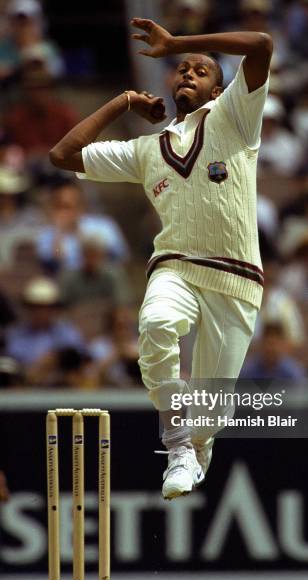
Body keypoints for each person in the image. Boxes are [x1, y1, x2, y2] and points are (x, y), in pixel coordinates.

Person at [49, 18, 273, 499]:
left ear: (219, 87)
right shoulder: (145, 150)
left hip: (236, 280)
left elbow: (260, 44)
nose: (188, 74)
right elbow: (63, 155)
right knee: (154, 324)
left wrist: (177, 43)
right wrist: (124, 101)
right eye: (181, 69)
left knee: (211, 417)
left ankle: (196, 444)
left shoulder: (236, 117)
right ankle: (176, 446)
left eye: (201, 71)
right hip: (175, 266)